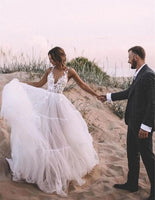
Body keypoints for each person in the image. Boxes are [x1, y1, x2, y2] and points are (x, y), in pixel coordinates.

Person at [1, 47, 99, 196]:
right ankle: (47, 170)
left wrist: (96, 94)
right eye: (49, 59)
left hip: (60, 107)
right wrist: (23, 84)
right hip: (46, 105)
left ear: (58, 58)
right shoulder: (49, 70)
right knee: (47, 136)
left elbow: (83, 85)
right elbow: (39, 84)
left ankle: (61, 170)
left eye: (52, 59)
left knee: (61, 138)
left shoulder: (70, 71)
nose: (50, 61)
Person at [99, 46, 155, 200]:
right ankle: (132, 184)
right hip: (132, 123)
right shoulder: (139, 74)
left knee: (148, 158)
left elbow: (153, 103)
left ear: (136, 57)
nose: (128, 60)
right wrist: (108, 97)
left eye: (129, 57)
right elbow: (128, 93)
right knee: (132, 154)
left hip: (142, 126)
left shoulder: (148, 75)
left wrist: (146, 126)